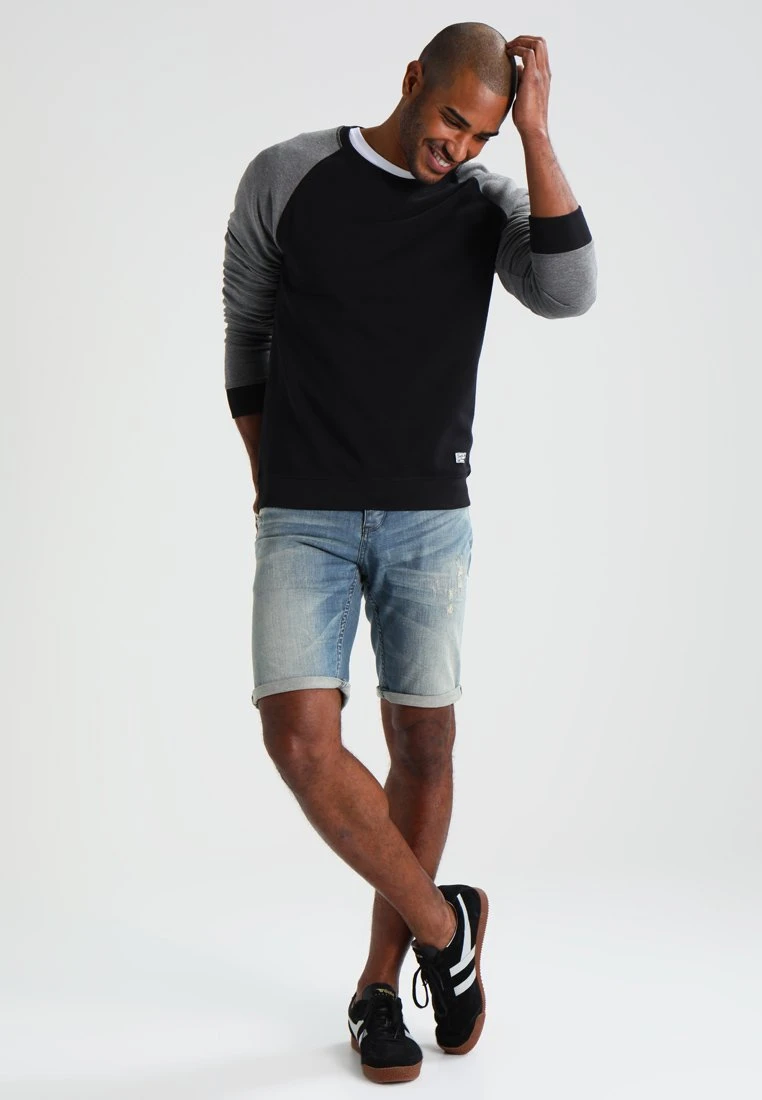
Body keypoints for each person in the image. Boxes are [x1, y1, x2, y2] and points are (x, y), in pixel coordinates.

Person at [222, 20, 596, 1085]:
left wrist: (534, 135)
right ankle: (447, 927)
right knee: (300, 740)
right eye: (451, 122)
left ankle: (381, 987)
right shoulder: (288, 174)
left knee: (423, 744)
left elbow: (568, 291)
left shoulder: (485, 200)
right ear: (411, 80)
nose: (458, 148)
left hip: (430, 517)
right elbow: (246, 332)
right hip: (304, 512)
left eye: (480, 135)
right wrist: (270, 474)